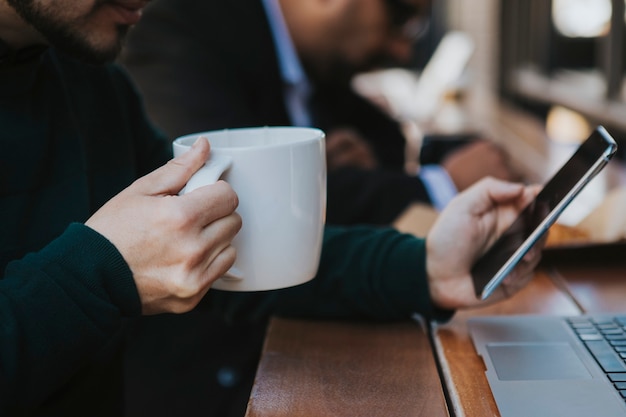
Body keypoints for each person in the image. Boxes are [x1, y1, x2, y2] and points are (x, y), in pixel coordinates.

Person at [0, 0, 542, 416]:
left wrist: (423, 267)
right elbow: (108, 270)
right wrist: (102, 273)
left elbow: (242, 247)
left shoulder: (95, 87)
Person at [120, 0, 517, 226]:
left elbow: (383, 143)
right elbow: (238, 198)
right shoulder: (180, 28)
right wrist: (443, 184)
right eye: (399, 18)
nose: (403, 50)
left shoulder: (307, 59)